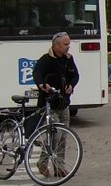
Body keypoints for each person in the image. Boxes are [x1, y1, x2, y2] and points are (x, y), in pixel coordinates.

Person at [32, 31, 80, 178]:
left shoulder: (68, 59)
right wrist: (41, 84)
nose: (68, 47)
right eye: (65, 44)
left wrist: (71, 85)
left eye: (69, 44)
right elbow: (36, 73)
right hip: (49, 104)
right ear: (56, 45)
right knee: (54, 135)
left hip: (64, 103)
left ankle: (59, 167)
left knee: (63, 136)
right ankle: (42, 162)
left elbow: (75, 75)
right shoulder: (46, 59)